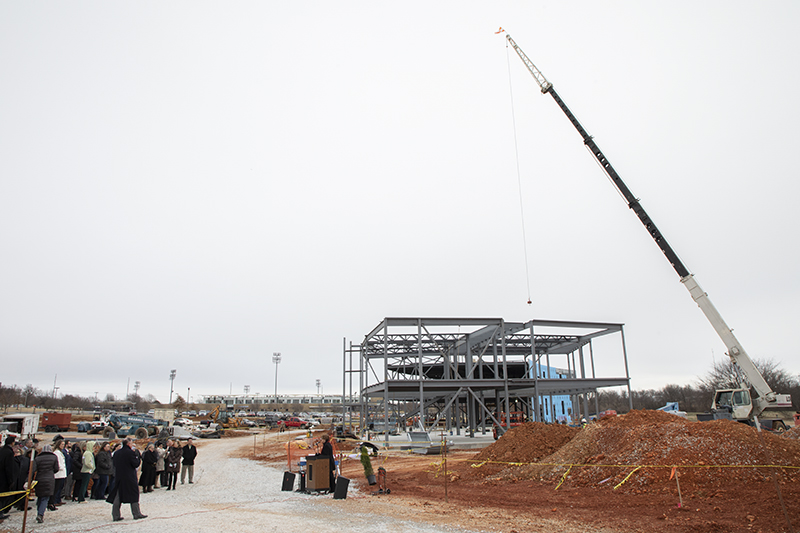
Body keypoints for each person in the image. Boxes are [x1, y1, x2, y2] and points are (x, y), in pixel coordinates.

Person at [106, 439, 146, 521]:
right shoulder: (130, 453)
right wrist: (138, 457)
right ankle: (136, 513)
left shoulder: (116, 453)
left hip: (119, 476)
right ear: (128, 443)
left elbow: (114, 464)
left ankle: (115, 515)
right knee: (134, 494)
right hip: (129, 476)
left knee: (118, 495)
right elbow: (135, 464)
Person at [31, 444, 59, 523]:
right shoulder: (54, 457)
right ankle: (40, 514)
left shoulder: (38, 458)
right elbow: (56, 469)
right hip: (49, 479)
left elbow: (33, 470)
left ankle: (39, 511)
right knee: (45, 498)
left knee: (40, 496)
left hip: (39, 479)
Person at [0, 435, 16, 522]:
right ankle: (0, 513)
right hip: (4, 478)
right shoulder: (9, 453)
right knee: (2, 497)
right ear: (12, 443)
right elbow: (9, 468)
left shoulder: (1, 450)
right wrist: (11, 480)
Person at [49, 438, 67, 510]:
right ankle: (54, 501)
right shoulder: (56, 453)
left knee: (60, 487)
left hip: (62, 473)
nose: (63, 446)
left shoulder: (60, 452)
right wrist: (61, 468)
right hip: (58, 473)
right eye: (62, 444)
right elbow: (58, 463)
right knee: (57, 488)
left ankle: (58, 499)